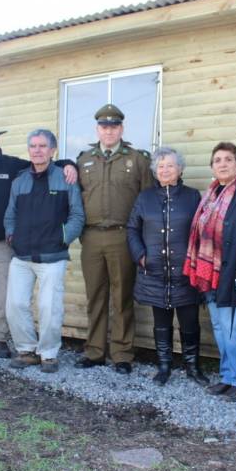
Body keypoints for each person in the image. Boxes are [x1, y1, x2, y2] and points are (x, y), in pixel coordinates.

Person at [0, 125, 77, 359]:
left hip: (2, 243)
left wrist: (69, 164)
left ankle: (0, 337)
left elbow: (42, 165)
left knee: (4, 296)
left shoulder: (13, 165)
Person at [184, 142, 236, 402]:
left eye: (228, 159)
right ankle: (228, 377)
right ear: (212, 167)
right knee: (220, 327)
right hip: (210, 274)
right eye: (217, 160)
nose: (222, 164)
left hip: (235, 272)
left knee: (234, 329)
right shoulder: (210, 194)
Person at [75, 104, 154, 375]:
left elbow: (148, 200)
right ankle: (94, 351)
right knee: (95, 296)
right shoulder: (83, 160)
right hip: (92, 236)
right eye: (103, 127)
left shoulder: (138, 159)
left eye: (114, 126)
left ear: (121, 129)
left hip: (123, 237)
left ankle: (121, 353)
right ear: (97, 129)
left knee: (122, 297)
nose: (108, 131)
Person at [4, 129, 84, 373]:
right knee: (15, 304)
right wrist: (12, 236)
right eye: (33, 146)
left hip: (52, 256)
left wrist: (63, 237)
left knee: (50, 307)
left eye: (42, 146)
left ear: (53, 150)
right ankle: (26, 349)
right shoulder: (19, 181)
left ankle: (48, 354)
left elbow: (77, 214)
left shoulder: (65, 178)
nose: (37, 150)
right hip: (22, 255)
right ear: (29, 150)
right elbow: (10, 214)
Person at [126, 147, 208, 386]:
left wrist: (197, 261)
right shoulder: (145, 198)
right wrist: (140, 255)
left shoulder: (193, 196)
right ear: (155, 170)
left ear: (180, 169)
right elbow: (132, 228)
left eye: (170, 165)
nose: (165, 170)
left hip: (185, 273)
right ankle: (164, 366)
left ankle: (192, 366)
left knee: (189, 321)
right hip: (154, 271)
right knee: (161, 321)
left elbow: (204, 230)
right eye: (160, 166)